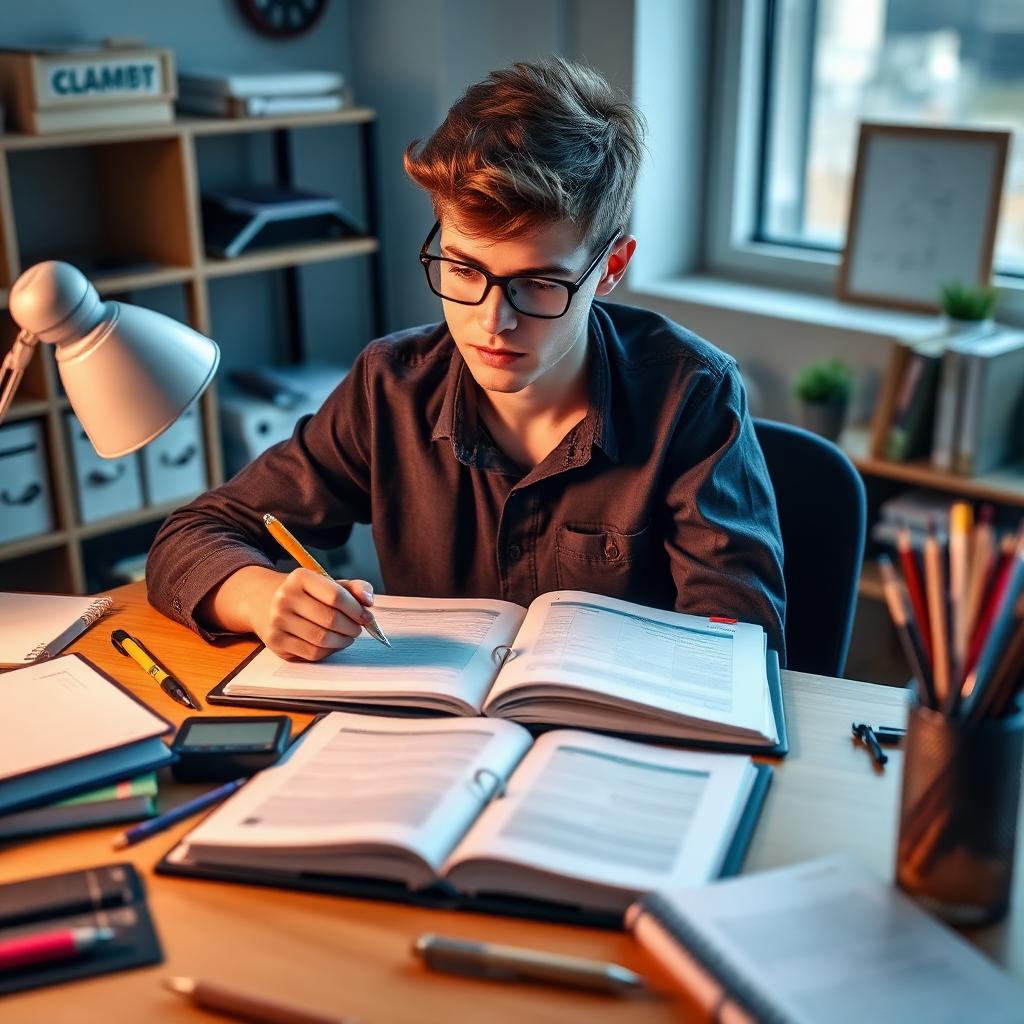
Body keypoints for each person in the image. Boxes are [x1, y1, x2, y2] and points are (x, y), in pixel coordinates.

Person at [147, 56, 786, 663]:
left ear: (610, 267)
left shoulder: (693, 396)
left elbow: (736, 641)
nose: (491, 321)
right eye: (463, 268)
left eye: (539, 284)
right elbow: (192, 536)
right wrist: (259, 596)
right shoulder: (390, 387)